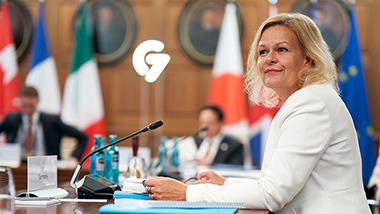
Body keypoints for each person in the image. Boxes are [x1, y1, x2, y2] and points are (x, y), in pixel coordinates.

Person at [143, 13, 371, 213]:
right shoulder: (309, 98)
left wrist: (186, 194)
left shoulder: (311, 103)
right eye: (263, 51)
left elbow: (273, 194)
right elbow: (276, 183)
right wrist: (224, 184)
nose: (269, 58)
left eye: (282, 49)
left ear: (308, 59)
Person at [0, 86, 88, 164]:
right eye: (24, 106)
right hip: (18, 164)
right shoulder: (11, 119)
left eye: (31, 106)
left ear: (37, 101)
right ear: (19, 102)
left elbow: (83, 137)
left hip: (46, 165)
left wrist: (74, 157)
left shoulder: (52, 121)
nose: (28, 110)